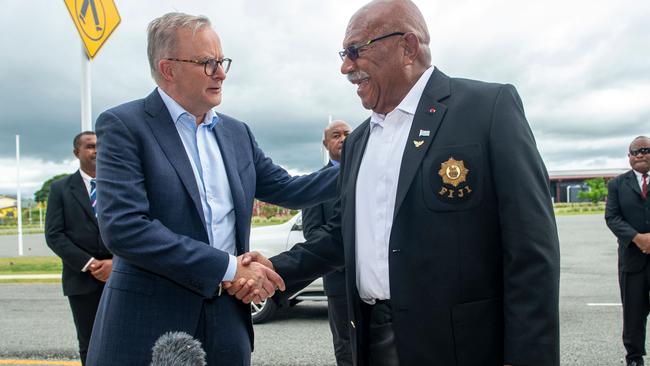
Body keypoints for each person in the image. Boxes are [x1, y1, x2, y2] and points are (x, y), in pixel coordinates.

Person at [232, 1, 561, 365]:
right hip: (373, 340)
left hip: (462, 347)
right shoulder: (357, 141)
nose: (345, 67)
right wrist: (277, 269)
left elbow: (531, 248)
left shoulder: (487, 108)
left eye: (355, 50)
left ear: (407, 47)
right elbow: (344, 234)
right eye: (344, 54)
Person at [85, 12, 338, 366]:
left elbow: (289, 189)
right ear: (168, 68)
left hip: (227, 323)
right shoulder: (125, 126)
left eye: (221, 62)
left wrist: (359, 162)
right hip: (150, 323)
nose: (220, 73)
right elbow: (125, 228)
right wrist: (231, 268)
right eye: (207, 63)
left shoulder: (237, 133)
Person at [45, 131, 112, 365]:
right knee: (90, 342)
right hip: (82, 281)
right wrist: (91, 264)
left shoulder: (119, 184)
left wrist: (117, 264)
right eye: (90, 146)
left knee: (125, 338)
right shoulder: (60, 189)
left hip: (121, 276)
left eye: (100, 146)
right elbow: (54, 235)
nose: (97, 151)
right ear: (77, 152)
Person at [302, 120, 353, 366]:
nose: (343, 138)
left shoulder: (368, 172)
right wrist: (342, 258)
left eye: (347, 134)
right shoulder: (315, 183)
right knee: (346, 343)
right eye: (336, 135)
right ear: (326, 144)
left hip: (375, 280)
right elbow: (312, 233)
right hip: (339, 279)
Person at [605, 136, 650, 366]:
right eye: (635, 152)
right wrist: (637, 238)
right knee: (633, 314)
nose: (640, 154)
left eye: (645, 150)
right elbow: (612, 217)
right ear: (629, 157)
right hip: (632, 262)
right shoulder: (617, 185)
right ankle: (634, 358)